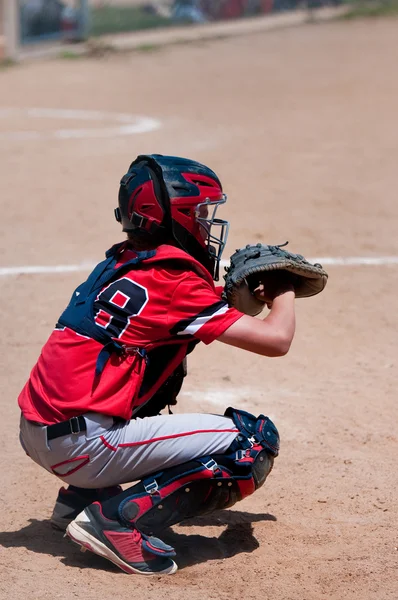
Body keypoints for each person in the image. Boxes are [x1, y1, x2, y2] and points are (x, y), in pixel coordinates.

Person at [18, 154, 296, 576]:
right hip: (85, 446)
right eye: (200, 213)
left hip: (39, 430)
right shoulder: (175, 280)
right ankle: (116, 522)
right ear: (174, 216)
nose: (206, 224)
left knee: (163, 367)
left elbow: (173, 319)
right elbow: (277, 340)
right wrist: (284, 288)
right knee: (252, 442)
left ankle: (80, 500)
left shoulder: (123, 262)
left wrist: (226, 299)